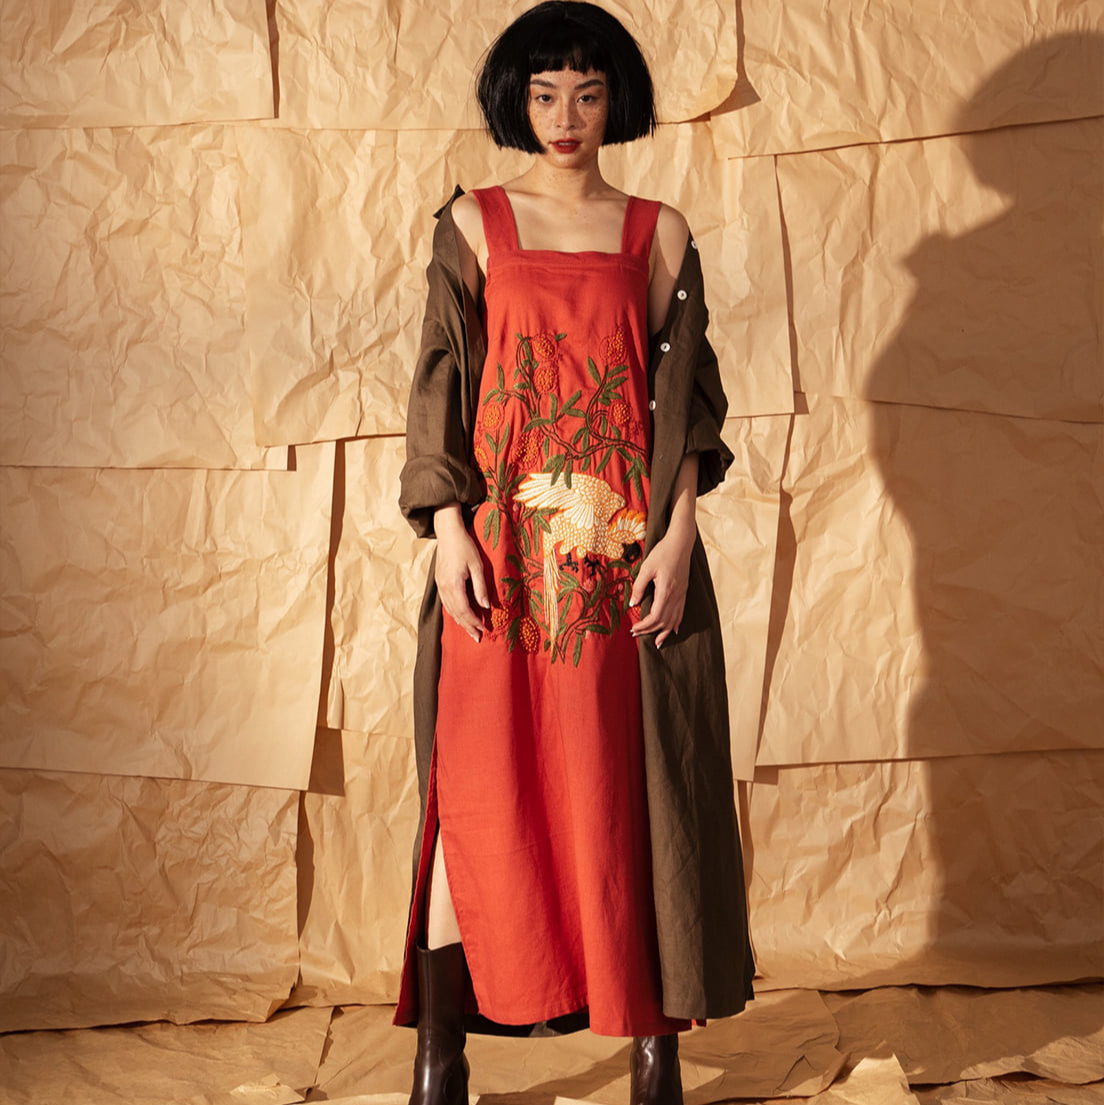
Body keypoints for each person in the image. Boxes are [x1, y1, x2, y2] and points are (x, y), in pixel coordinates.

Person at [397, 3, 754, 1101]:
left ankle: (654, 1042)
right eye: (546, 94)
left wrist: (680, 536)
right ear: (518, 100)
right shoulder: (473, 224)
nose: (566, 116)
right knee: (477, 792)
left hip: (623, 558)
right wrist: (447, 530)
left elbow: (685, 405)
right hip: (499, 558)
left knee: (630, 791)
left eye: (588, 94)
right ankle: (442, 1047)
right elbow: (439, 390)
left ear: (615, 103)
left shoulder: (660, 233)